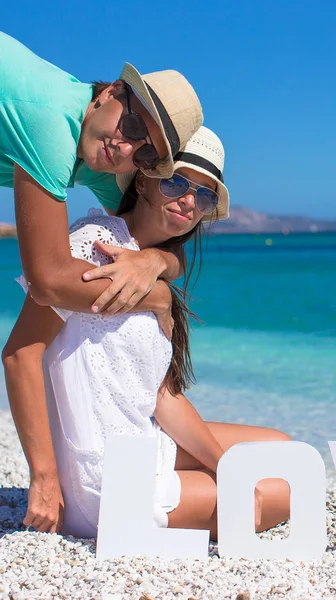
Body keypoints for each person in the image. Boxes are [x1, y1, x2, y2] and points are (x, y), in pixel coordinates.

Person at [3, 127, 291, 538]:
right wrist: (44, 479)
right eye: (177, 182)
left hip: (143, 443)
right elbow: (20, 354)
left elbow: (161, 397)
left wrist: (222, 467)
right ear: (143, 179)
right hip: (103, 478)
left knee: (283, 450)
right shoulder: (93, 245)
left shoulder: (151, 268)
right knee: (279, 493)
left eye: (203, 194)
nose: (189, 201)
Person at [1, 30, 203, 534]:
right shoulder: (50, 118)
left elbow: (156, 235)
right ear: (111, 91)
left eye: (146, 153)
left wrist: (154, 263)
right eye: (133, 123)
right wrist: (156, 296)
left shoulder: (99, 159)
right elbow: (48, 280)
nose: (126, 146)